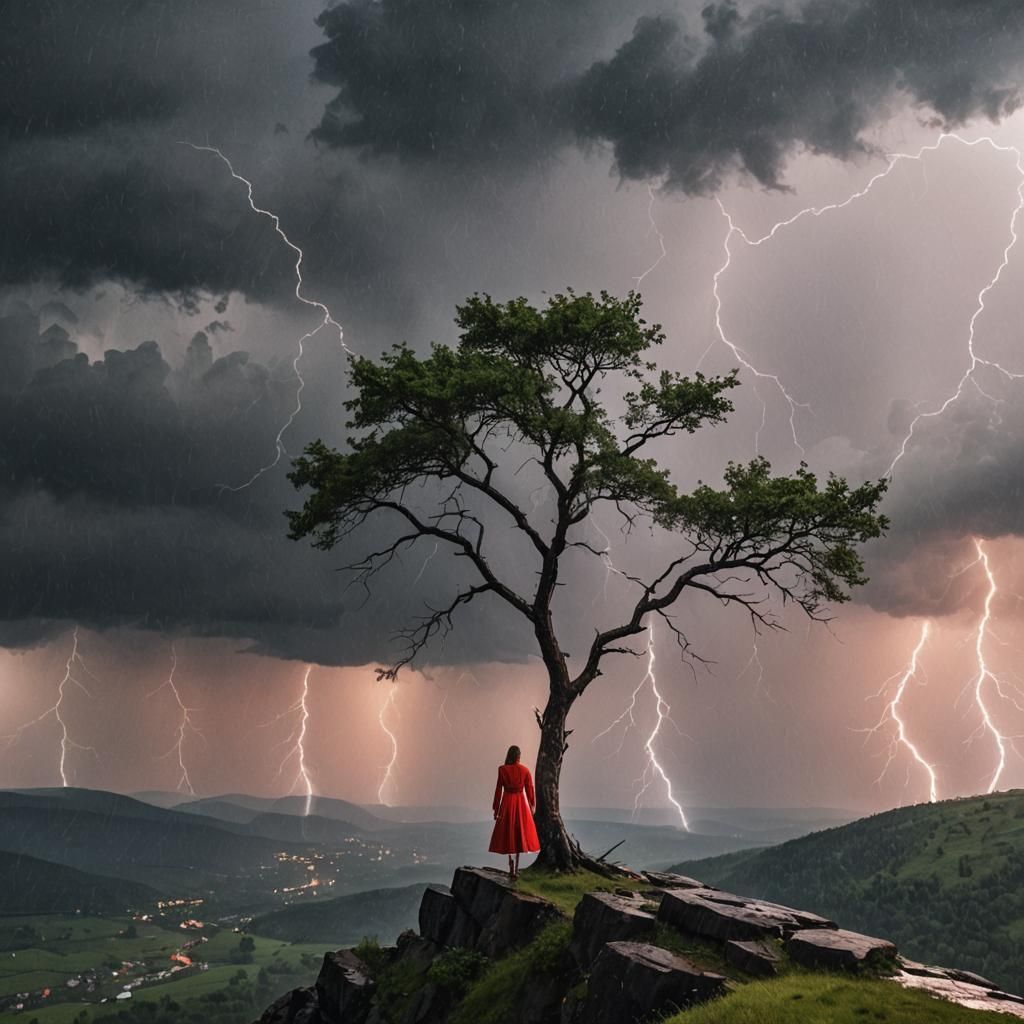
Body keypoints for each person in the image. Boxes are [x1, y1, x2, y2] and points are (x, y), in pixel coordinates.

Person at [488, 744, 540, 878]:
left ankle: (510, 864)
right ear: (519, 756)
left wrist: (496, 808)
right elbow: (530, 789)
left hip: (507, 802)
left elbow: (498, 790)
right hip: (520, 803)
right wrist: (532, 805)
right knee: (519, 833)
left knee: (507, 832)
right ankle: (516, 868)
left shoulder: (502, 769)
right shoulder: (525, 770)